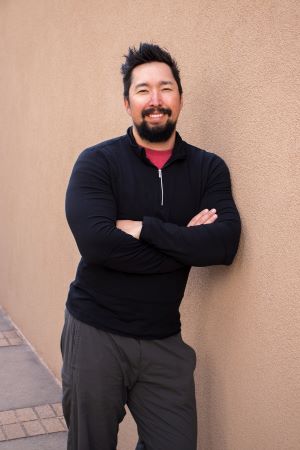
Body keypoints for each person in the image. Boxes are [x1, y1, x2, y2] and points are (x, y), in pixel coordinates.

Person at [60, 42, 241, 450]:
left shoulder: (207, 167)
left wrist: (145, 229)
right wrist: (186, 242)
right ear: (127, 103)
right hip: (94, 334)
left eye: (166, 88)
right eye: (143, 90)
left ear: (180, 98)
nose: (155, 100)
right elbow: (98, 246)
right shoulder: (97, 163)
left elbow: (224, 244)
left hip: (164, 340)